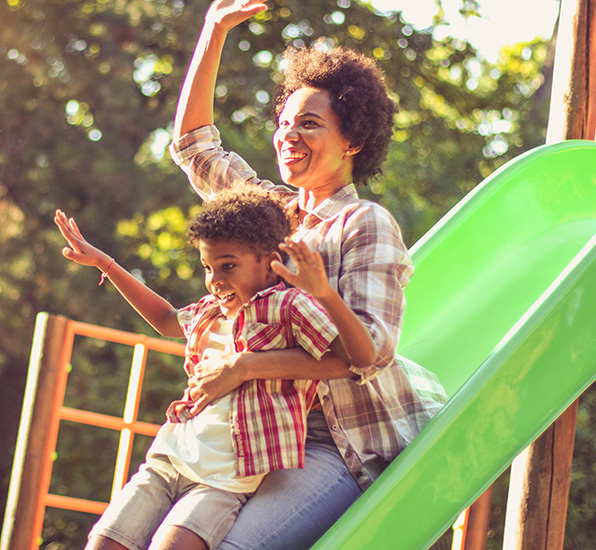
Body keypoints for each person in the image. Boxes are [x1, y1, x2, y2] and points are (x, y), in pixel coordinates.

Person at [168, 1, 448, 549]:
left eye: (310, 124)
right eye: (284, 122)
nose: (288, 134)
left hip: (332, 438)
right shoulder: (266, 213)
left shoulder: (365, 225)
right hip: (256, 426)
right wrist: (213, 30)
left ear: (353, 142)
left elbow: (366, 356)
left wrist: (244, 366)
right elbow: (195, 146)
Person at [53, 184, 377, 550]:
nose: (215, 279)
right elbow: (165, 318)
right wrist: (105, 264)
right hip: (168, 461)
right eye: (208, 267)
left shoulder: (288, 307)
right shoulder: (211, 310)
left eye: (228, 266)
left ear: (271, 263)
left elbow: (348, 360)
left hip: (224, 482)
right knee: (104, 543)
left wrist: (321, 295)